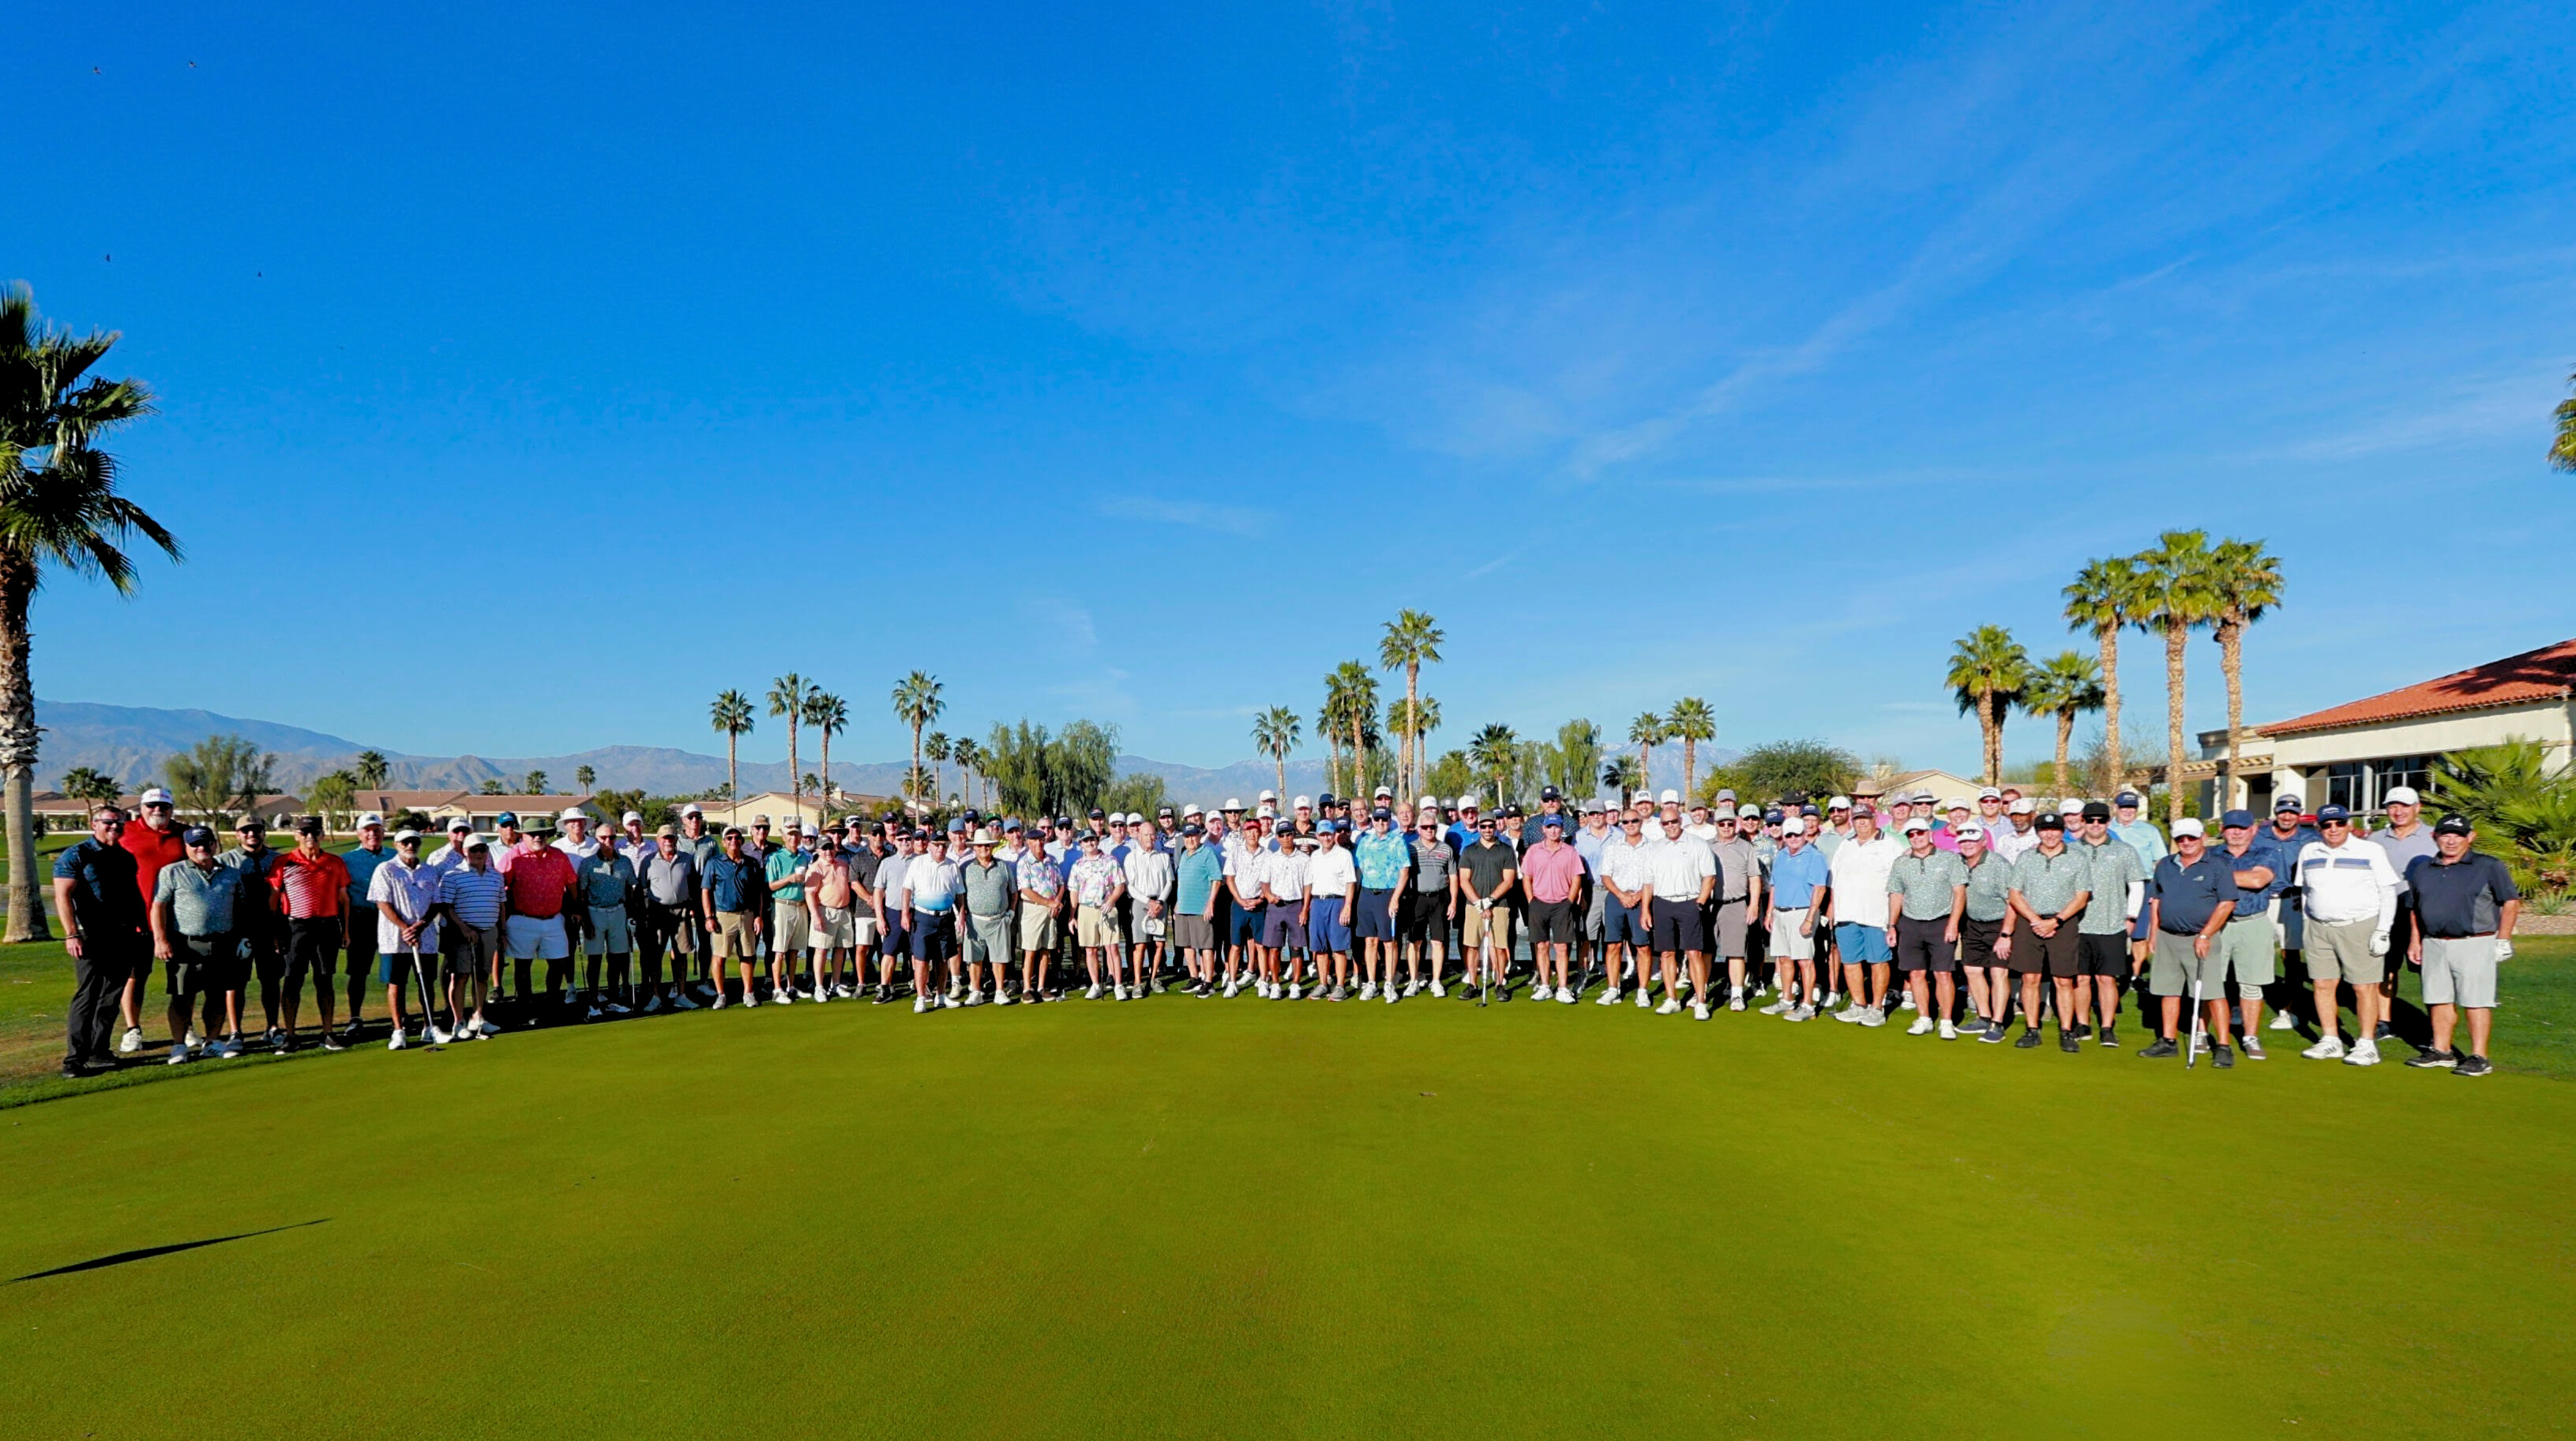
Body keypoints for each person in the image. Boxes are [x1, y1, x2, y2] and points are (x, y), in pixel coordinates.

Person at [2402, 814, 2518, 1076]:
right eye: (2445, 835)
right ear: (2435, 837)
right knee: (2437, 998)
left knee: (2476, 1000)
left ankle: (2479, 1056)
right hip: (2434, 942)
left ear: (2470, 837)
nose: (2451, 840)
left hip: (2474, 942)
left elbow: (2510, 902)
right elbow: (2415, 908)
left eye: (2458, 835)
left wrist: (2503, 939)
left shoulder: (2488, 866)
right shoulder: (2423, 869)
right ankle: (2441, 1050)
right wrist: (2415, 940)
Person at [2292, 804, 2403, 1066]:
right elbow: (2306, 890)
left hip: (2360, 924)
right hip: (2318, 927)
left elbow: (2387, 892)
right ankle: (2331, 1040)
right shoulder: (2309, 850)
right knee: (2322, 984)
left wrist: (2382, 930)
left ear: (2349, 825)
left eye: (2339, 823)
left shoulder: (2370, 850)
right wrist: (2307, 921)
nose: (2333, 829)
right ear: (2319, 827)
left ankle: (2367, 1044)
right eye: (2327, 825)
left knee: (2363, 987)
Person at [2139, 819, 2240, 1064]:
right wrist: (2154, 933)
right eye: (2180, 838)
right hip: (2168, 937)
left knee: (2212, 993)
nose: (2186, 842)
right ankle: (2168, 1041)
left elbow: (2227, 903)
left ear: (2203, 837)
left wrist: (2206, 935)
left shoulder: (2218, 866)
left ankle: (2224, 1046)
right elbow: (2157, 901)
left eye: (2191, 838)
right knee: (2168, 991)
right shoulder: (2165, 865)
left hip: (2201, 938)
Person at [54, 805, 146, 1075]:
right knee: (87, 996)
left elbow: (133, 896)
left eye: (120, 823)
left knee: (111, 996)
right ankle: (74, 1059)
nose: (115, 827)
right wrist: (71, 933)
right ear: (95, 824)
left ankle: (98, 1051)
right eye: (109, 822)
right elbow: (62, 896)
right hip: (90, 935)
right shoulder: (77, 855)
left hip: (123, 934)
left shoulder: (125, 857)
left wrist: (143, 928)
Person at [148, 824, 244, 1063]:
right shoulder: (172, 872)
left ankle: (212, 1041)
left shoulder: (231, 873)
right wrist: (160, 940)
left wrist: (242, 938)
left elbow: (241, 907)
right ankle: (179, 1045)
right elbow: (158, 906)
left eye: (206, 843)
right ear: (186, 847)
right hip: (185, 944)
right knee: (182, 996)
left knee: (217, 996)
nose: (201, 848)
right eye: (195, 844)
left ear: (214, 844)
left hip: (222, 942)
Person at [2006, 813, 2092, 1052]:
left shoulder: (2077, 858)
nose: (2050, 834)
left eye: (2054, 829)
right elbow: (2015, 894)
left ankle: (2067, 1031)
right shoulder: (2026, 858)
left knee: (2063, 980)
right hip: (2029, 922)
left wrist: (2055, 921)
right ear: (2038, 832)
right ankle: (2032, 1030)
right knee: (2030, 978)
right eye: (2044, 830)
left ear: (2062, 831)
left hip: (2063, 923)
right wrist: (2035, 920)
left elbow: (2082, 896)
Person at [115, 787, 189, 1054]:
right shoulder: (125, 832)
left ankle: (185, 1027)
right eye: (152, 806)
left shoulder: (184, 833)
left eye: (164, 806)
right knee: (135, 977)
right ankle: (132, 1029)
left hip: (179, 921)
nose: (158, 810)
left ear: (172, 809)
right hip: (137, 921)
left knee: (183, 980)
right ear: (141, 808)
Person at [272, 816, 355, 1049]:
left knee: (325, 980)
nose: (310, 837)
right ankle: (290, 1035)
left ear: (322, 835)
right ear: (296, 835)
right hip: (295, 927)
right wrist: (275, 933)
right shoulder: (284, 862)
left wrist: (346, 930)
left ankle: (327, 1033)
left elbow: (344, 899)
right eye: (305, 832)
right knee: (292, 982)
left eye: (314, 832)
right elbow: (273, 901)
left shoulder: (335, 862)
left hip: (327, 926)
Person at [2070, 801, 2149, 1047]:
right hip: (2077, 926)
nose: (2095, 825)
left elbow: (2136, 885)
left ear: (2108, 822)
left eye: (2101, 820)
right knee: (2080, 979)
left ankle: (2107, 1027)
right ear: (2083, 821)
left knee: (2106, 979)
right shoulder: (2070, 851)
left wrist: (2131, 917)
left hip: (2112, 924)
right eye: (2090, 820)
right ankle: (2082, 1025)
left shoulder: (2124, 851)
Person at [2209, 810, 2285, 1059]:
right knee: (2210, 982)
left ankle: (2250, 1037)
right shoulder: (2211, 854)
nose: (2236, 832)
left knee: (2251, 985)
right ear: (2222, 829)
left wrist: (2217, 877)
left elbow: (2257, 880)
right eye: (2231, 827)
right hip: (2217, 924)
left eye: (2242, 828)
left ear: (2253, 829)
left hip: (2253, 922)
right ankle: (2201, 1032)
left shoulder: (2267, 853)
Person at [2366, 785, 2438, 1044]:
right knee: (2385, 968)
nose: (2398, 812)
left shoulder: (2434, 836)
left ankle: (2434, 1028)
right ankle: (2385, 1021)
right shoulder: (2375, 839)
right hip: (2385, 912)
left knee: (2429, 971)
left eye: (2405, 806)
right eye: (2393, 806)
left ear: (2417, 808)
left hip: (2423, 913)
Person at [1886, 817, 1968, 1038]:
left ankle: (1947, 1021)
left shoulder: (1949, 859)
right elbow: (1896, 894)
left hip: (1941, 922)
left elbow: (1959, 892)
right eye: (1911, 835)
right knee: (1916, 973)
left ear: (1928, 833)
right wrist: (1892, 925)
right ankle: (1924, 1018)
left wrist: (1953, 923)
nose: (1916, 838)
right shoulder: (1901, 863)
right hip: (1910, 923)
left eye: (1919, 833)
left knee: (1943, 974)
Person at [367, 828, 447, 1048]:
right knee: (396, 984)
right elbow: (382, 902)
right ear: (396, 844)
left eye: (414, 842)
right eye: (405, 842)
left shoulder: (429, 871)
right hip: (394, 938)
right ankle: (398, 1030)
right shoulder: (386, 869)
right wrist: (405, 928)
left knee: (426, 983)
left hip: (426, 936)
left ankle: (429, 1028)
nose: (410, 846)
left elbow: (437, 903)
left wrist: (420, 925)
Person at [1824, 805, 1902, 1024]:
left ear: (1874, 818)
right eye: (1857, 819)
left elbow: (1897, 884)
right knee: (1850, 961)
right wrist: (1832, 908)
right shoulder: (1846, 845)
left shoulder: (1889, 845)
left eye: (1865, 819)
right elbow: (1835, 881)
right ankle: (1859, 1004)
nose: (1861, 823)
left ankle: (1877, 1008)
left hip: (1877, 916)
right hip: (1846, 914)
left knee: (1878, 961)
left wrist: (1893, 917)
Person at [217, 818, 287, 1050]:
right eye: (245, 831)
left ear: (263, 832)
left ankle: (273, 1027)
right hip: (237, 932)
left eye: (256, 830)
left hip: (270, 930)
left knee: (271, 980)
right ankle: (235, 1032)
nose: (251, 834)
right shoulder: (225, 861)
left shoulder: (276, 859)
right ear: (237, 834)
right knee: (235, 983)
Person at [1643, 813, 1717, 1018]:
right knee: (1667, 953)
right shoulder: (1655, 847)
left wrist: (1700, 903)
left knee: (1694, 953)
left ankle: (1701, 1001)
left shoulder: (1697, 844)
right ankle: (1672, 999)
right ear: (1661, 825)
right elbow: (1648, 882)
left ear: (1680, 822)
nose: (1670, 826)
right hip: (1663, 903)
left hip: (1690, 902)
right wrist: (1645, 910)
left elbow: (1709, 877)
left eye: (1673, 822)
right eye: (1665, 823)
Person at [1758, 818, 1828, 1019]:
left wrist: (1809, 918)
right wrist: (1770, 911)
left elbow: (1819, 889)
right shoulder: (1781, 856)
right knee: (1784, 958)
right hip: (1780, 912)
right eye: (1789, 835)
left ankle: (1807, 1005)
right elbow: (1774, 886)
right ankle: (1787, 999)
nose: (1793, 839)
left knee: (1805, 961)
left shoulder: (1814, 857)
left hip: (1802, 912)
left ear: (1804, 834)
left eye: (1797, 834)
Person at [1955, 824, 2020, 1041]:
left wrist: (2006, 935)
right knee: (1972, 970)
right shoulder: (1958, 862)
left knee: (1997, 973)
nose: (1967, 845)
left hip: (1999, 924)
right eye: (1963, 841)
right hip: (1972, 924)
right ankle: (1983, 1017)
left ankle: (1997, 1024)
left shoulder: (1998, 865)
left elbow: (2013, 901)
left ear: (1983, 842)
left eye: (1972, 841)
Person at [436, 838, 505, 1038]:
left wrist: (502, 932)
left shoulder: (496, 876)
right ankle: (459, 1022)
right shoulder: (453, 875)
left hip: (489, 931)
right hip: (462, 933)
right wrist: (464, 929)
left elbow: (501, 904)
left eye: (482, 849)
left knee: (482, 975)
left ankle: (478, 1017)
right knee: (460, 976)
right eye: (474, 849)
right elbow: (446, 907)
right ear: (465, 851)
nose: (479, 853)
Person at [336, 813, 393, 1043]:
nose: (373, 834)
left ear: (383, 832)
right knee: (358, 972)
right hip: (361, 919)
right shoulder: (346, 860)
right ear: (359, 834)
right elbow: (342, 897)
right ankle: (355, 1017)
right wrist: (344, 928)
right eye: (367, 830)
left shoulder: (393, 855)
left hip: (390, 919)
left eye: (377, 829)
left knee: (393, 968)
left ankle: (399, 1016)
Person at [1519, 815, 1586, 1004]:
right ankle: (1545, 986)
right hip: (1539, 903)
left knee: (1562, 947)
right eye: (1550, 827)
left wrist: (1569, 901)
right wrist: (1531, 900)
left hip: (1562, 904)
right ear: (1544, 829)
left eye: (1556, 827)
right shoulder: (1533, 851)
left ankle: (1563, 988)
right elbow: (1526, 877)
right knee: (1541, 946)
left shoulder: (1570, 852)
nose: (1553, 830)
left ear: (1562, 829)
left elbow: (1576, 879)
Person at [700, 827, 768, 1009]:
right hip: (723, 916)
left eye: (737, 838)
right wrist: (709, 917)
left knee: (747, 955)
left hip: (747, 915)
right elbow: (706, 891)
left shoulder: (751, 863)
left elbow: (758, 893)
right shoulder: (714, 863)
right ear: (723, 842)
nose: (733, 841)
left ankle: (748, 993)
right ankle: (721, 994)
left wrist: (758, 916)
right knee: (720, 957)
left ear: (741, 841)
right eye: (729, 838)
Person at [636, 825, 701, 1012]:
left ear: (676, 840)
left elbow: (694, 885)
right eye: (665, 838)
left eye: (671, 838)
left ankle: (681, 995)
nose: (668, 841)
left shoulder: (687, 859)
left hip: (681, 911)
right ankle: (656, 996)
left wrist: (693, 907)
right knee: (655, 955)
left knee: (681, 953)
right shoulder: (648, 861)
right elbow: (641, 890)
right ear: (658, 840)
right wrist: (644, 912)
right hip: (657, 912)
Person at [574, 836, 639, 1018]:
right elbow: (582, 893)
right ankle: (593, 1002)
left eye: (611, 837)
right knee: (594, 959)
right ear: (597, 840)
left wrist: (631, 913)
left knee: (617, 958)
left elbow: (630, 887)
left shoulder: (624, 861)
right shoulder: (588, 863)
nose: (608, 841)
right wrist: (586, 920)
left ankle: (614, 1000)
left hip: (619, 911)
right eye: (603, 838)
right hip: (594, 912)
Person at [1455, 814, 1517, 1000]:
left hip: (1499, 905)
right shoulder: (1469, 851)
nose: (1487, 829)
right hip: (1473, 906)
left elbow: (1509, 881)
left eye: (1491, 826)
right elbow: (1464, 880)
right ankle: (1473, 984)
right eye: (1484, 826)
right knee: (1472, 945)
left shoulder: (1506, 850)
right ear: (1479, 827)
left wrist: (1490, 900)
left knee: (1499, 946)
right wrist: (1478, 903)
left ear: (1495, 827)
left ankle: (1499, 984)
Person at [1354, 807, 1410, 1000]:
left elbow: (1404, 872)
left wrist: (1395, 898)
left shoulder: (1397, 841)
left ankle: (1389, 984)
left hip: (1388, 894)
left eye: (1384, 820)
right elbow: (1360, 866)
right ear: (1372, 820)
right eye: (1377, 819)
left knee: (1389, 942)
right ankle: (1371, 983)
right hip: (1368, 894)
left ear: (1389, 821)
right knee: (1370, 941)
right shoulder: (1365, 841)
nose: (1380, 823)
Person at [1710, 809, 1763, 1011]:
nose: (1726, 827)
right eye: (1722, 824)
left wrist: (1754, 905)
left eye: (1729, 824)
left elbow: (1754, 878)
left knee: (1736, 953)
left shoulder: (1746, 847)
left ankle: (1737, 995)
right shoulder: (1707, 847)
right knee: (1706, 951)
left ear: (1736, 824)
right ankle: (1701, 994)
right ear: (1716, 824)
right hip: (1711, 905)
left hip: (1736, 903)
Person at [959, 828, 1018, 1005]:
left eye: (987, 845)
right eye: (980, 846)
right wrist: (962, 914)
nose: (983, 848)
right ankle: (976, 991)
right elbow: (960, 894)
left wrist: (1011, 912)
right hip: (974, 920)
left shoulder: (1003, 866)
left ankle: (1000, 991)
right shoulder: (965, 868)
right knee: (974, 958)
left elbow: (1013, 892)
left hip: (999, 919)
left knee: (999, 958)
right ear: (974, 848)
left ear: (991, 847)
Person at [906, 832, 964, 1008]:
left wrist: (961, 915)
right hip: (923, 917)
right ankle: (921, 998)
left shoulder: (952, 865)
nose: (941, 848)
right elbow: (907, 889)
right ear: (929, 845)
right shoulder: (918, 863)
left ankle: (941, 995)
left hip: (946, 917)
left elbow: (960, 894)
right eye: (937, 844)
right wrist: (904, 914)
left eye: (944, 845)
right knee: (922, 959)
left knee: (942, 958)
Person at [802, 833, 862, 1001]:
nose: (828, 851)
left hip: (844, 911)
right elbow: (809, 895)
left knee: (840, 949)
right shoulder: (815, 868)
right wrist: (815, 916)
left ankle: (835, 984)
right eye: (824, 848)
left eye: (830, 848)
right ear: (819, 851)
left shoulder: (843, 864)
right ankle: (820, 987)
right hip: (824, 911)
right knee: (821, 950)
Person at [1403, 812, 1455, 996]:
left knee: (1438, 941)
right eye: (1425, 827)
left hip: (1439, 898)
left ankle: (1436, 981)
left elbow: (1453, 877)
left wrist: (1453, 902)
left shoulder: (1446, 849)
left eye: (1432, 827)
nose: (1429, 830)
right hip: (1416, 899)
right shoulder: (1410, 849)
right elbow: (1403, 875)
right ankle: (1413, 980)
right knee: (1414, 941)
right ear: (1419, 829)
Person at [763, 823, 815, 1004]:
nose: (794, 838)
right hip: (782, 905)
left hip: (800, 905)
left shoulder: (803, 857)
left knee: (794, 951)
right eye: (790, 835)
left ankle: (791, 986)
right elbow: (770, 885)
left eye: (796, 835)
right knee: (779, 950)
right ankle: (777, 989)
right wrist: (790, 879)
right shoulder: (776, 858)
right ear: (784, 838)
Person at [1122, 818, 1176, 993]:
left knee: (1159, 944)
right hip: (1140, 903)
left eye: (1153, 835)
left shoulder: (1163, 857)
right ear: (1138, 836)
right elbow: (1130, 886)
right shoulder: (1131, 858)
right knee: (1141, 944)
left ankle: (1154, 979)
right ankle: (1138, 982)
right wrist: (1148, 902)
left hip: (1160, 902)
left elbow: (1169, 882)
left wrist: (1159, 902)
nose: (1150, 838)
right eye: (1146, 835)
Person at [1171, 823, 1224, 996]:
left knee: (1206, 946)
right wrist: (1178, 903)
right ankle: (1194, 977)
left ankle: (1208, 981)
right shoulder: (1185, 855)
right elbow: (1182, 881)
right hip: (1184, 907)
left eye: (1194, 836)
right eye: (1187, 837)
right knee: (1187, 945)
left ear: (1199, 836)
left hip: (1201, 909)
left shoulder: (1207, 853)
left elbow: (1216, 879)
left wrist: (1211, 903)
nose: (1191, 839)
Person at [1013, 827, 1065, 1002]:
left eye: (1041, 839)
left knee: (1045, 949)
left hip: (1051, 910)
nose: (1038, 843)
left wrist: (1056, 902)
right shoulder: (1024, 862)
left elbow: (1061, 884)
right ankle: (1027, 988)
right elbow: (1026, 890)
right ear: (1028, 842)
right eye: (1034, 840)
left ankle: (1042, 986)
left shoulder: (1052, 860)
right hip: (1032, 909)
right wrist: (1049, 903)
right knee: (1030, 950)